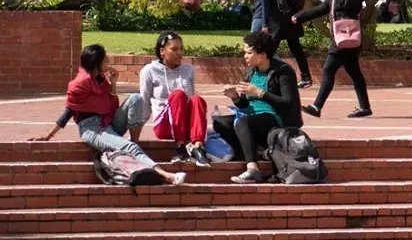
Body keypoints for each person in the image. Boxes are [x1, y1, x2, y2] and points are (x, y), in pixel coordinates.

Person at [34, 45, 188, 184]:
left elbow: (112, 106)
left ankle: (134, 144)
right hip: (92, 129)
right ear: (96, 64)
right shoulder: (79, 84)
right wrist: (48, 136)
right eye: (105, 59)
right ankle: (167, 176)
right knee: (129, 147)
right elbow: (68, 112)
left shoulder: (100, 80)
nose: (108, 62)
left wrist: (113, 83)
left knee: (136, 98)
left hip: (107, 122)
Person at [221, 28, 303, 183]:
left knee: (243, 123)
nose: (245, 56)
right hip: (253, 118)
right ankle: (256, 151)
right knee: (221, 124)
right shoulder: (252, 71)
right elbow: (245, 103)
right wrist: (235, 97)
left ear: (262, 54)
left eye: (249, 53)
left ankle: (252, 169)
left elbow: (288, 103)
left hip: (276, 118)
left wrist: (260, 92)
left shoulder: (283, 71)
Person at [297, 0, 373, 119]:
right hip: (343, 37)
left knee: (328, 69)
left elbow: (343, 4)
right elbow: (324, 7)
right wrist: (299, 17)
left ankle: (317, 106)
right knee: (354, 72)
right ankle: (365, 107)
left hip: (345, 36)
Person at [135, 31, 211, 166]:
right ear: (162, 51)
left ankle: (198, 147)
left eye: (182, 49)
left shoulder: (188, 70)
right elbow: (144, 102)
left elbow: (192, 104)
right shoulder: (149, 71)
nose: (180, 53)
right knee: (178, 95)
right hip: (164, 126)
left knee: (196, 99)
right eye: (174, 49)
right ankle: (180, 146)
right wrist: (135, 134)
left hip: (184, 125)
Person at [268, 0, 313, 84]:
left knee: (271, 46)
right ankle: (305, 76)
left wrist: (280, 11)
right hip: (291, 13)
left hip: (284, 16)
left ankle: (263, 75)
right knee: (295, 46)